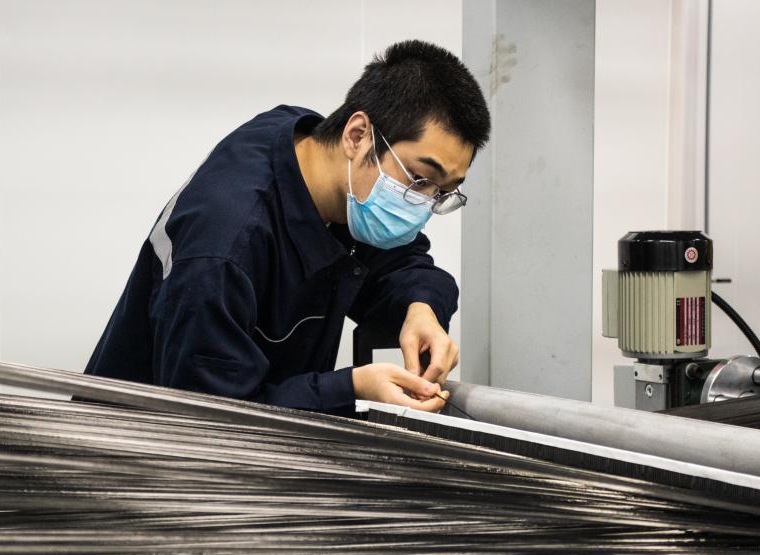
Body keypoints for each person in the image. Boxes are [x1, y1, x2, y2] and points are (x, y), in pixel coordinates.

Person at [85, 40, 490, 415]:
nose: (423, 206)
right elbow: (215, 416)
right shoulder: (223, 251)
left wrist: (422, 308)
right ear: (357, 135)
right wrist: (353, 389)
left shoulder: (323, 164)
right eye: (419, 180)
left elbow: (403, 263)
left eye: (442, 193)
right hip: (151, 448)